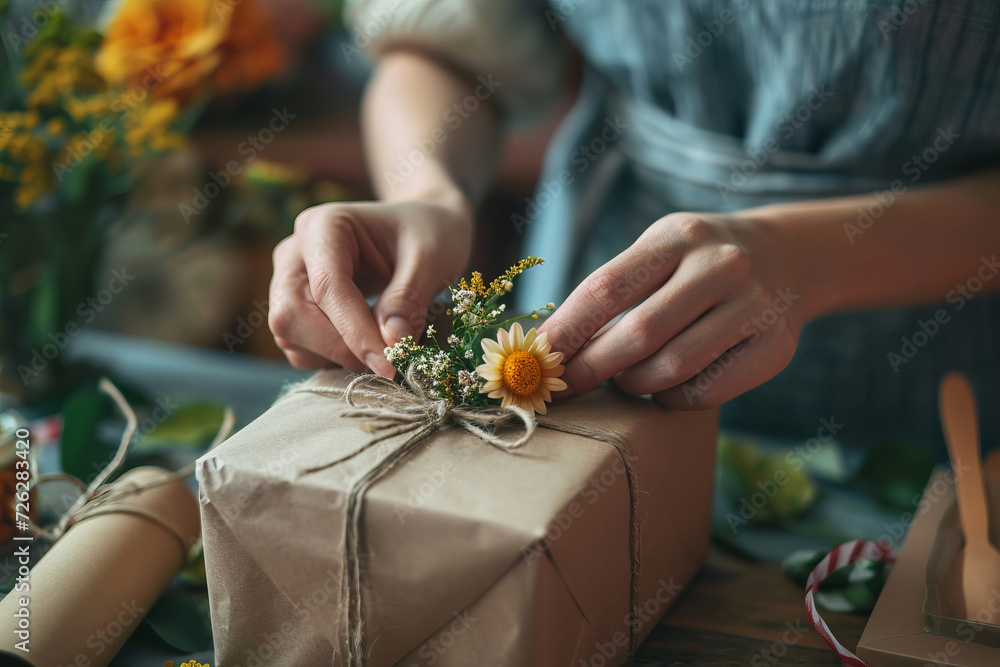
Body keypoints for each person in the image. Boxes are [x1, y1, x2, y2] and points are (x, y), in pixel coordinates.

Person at [268, 0, 1000, 453]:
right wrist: (429, 191)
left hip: (940, 367)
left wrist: (810, 259)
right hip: (606, 298)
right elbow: (443, 40)